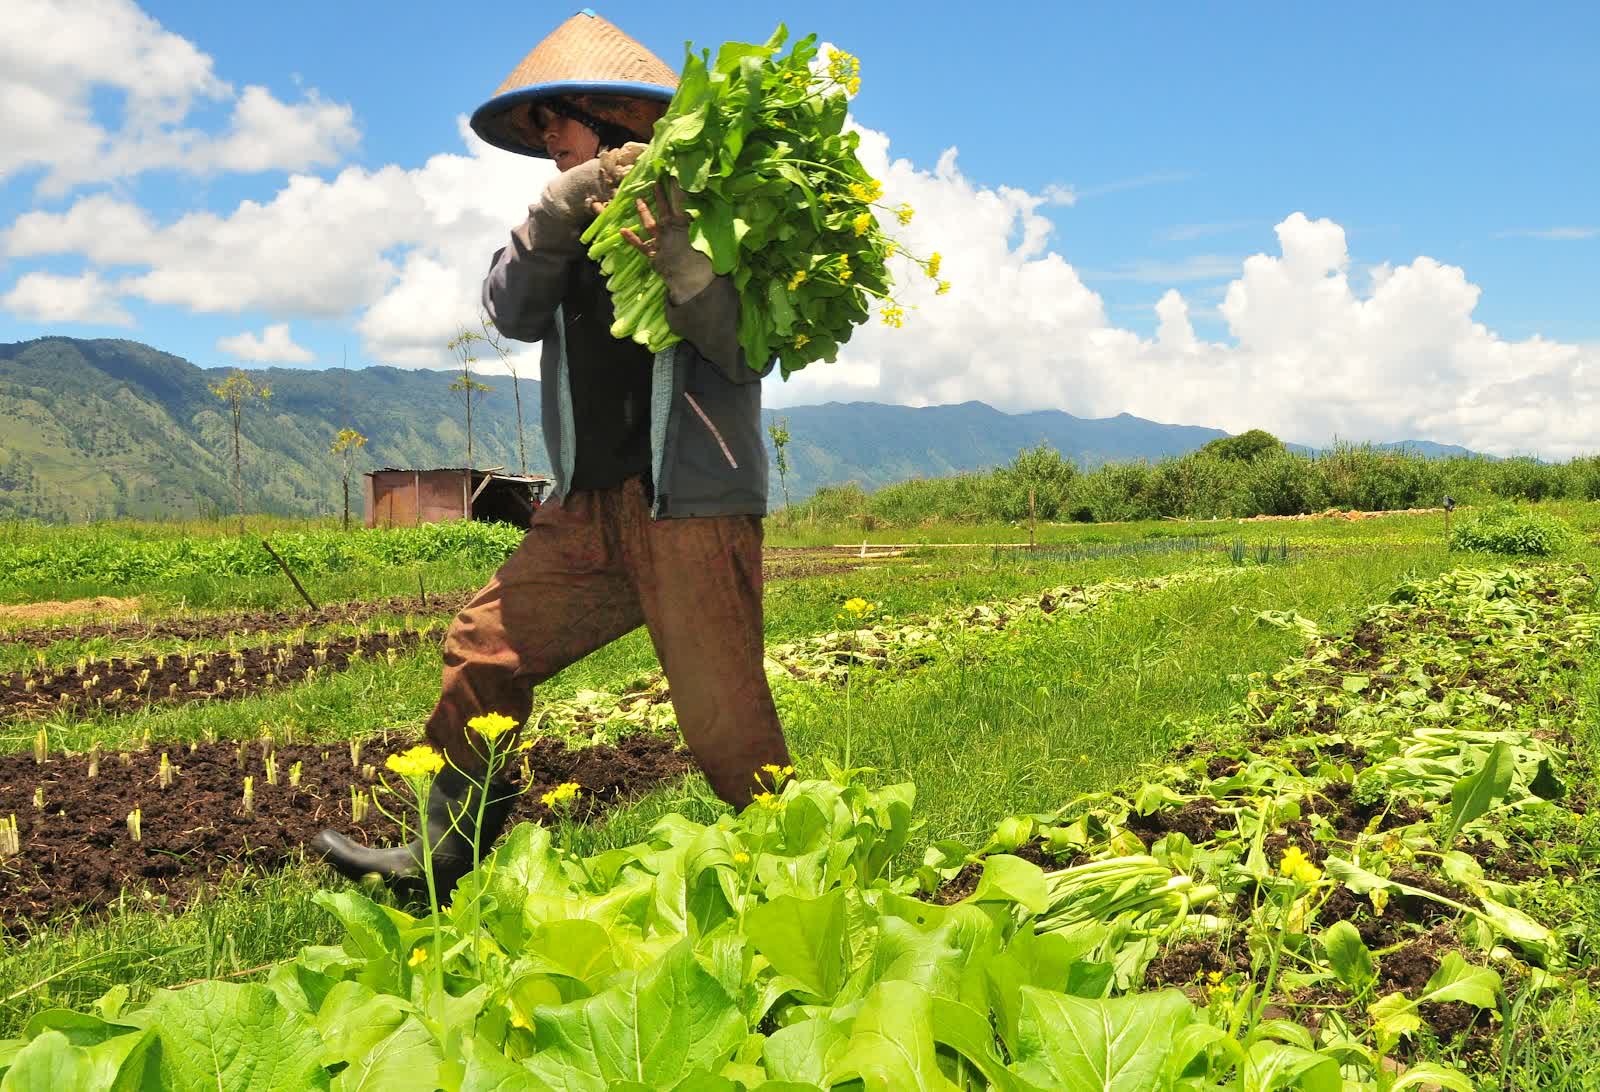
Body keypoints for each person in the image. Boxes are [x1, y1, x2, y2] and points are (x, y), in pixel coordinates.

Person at [313, 12, 793, 895]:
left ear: (614, 120)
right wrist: (554, 213)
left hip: (688, 506)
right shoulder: (563, 224)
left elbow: (743, 351)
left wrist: (686, 265)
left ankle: (813, 876)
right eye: (538, 136)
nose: (547, 146)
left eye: (557, 127)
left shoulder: (717, 220)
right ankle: (442, 861)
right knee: (484, 646)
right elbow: (508, 308)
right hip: (585, 506)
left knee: (728, 731)